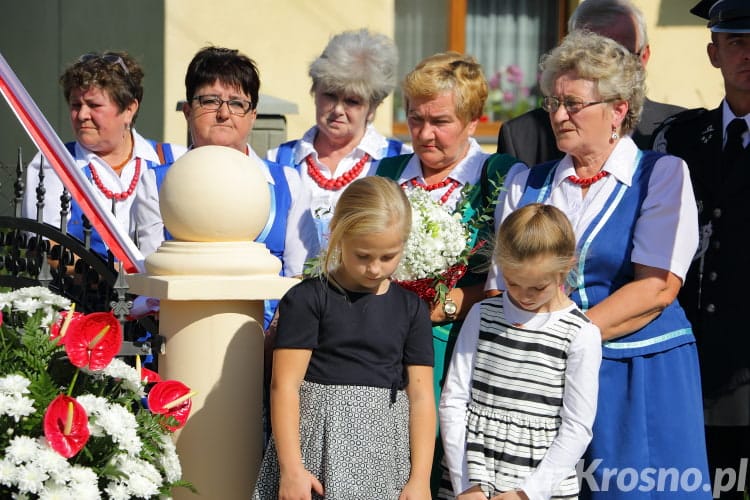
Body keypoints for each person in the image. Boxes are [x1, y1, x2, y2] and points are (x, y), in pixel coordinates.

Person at [492, 31, 710, 498]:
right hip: (541, 383)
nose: (557, 114)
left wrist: (562, 341)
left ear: (618, 109)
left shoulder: (661, 176)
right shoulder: (526, 185)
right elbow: (500, 288)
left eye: (573, 103)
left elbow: (656, 289)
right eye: (553, 101)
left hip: (637, 377)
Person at [374, 51, 524, 495]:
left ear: (474, 120)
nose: (424, 134)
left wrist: (445, 305)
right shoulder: (385, 175)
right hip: (381, 350)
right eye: (415, 119)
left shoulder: (501, 177)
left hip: (460, 353)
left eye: (440, 121)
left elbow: (512, 283)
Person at [252, 176, 435, 500]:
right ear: (338, 234)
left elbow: (420, 398)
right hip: (316, 454)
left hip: (384, 459)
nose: (375, 269)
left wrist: (419, 479)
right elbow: (285, 386)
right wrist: (292, 469)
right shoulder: (309, 299)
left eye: (388, 257)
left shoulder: (411, 309)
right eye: (363, 256)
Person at [653, 1, 750, 497]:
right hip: (686, 364)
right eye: (736, 41)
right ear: (714, 52)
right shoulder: (680, 137)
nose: (748, 54)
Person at [439, 203, 601, 500]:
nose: (523, 296)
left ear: (566, 269)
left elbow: (577, 426)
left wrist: (528, 493)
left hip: (538, 486)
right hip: (474, 476)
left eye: (537, 288)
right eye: (512, 283)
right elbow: (454, 399)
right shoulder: (482, 314)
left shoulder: (581, 334)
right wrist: (466, 483)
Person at [179, 46, 319, 328]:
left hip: (267, 340)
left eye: (237, 103)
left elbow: (303, 275)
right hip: (183, 332)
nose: (223, 113)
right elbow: (150, 274)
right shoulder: (157, 182)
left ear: (253, 115)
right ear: (187, 111)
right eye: (209, 101)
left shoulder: (288, 183)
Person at [22, 51, 186, 258]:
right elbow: (44, 246)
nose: (82, 115)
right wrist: (110, 276)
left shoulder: (177, 160)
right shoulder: (52, 164)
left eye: (94, 105)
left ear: (129, 109)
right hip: (79, 290)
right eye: (75, 105)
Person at [266, 28, 410, 249]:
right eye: (330, 95)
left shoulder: (401, 161)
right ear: (315, 92)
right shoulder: (277, 160)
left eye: (352, 101)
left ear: (372, 107)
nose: (338, 110)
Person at [496, 0, 684, 167]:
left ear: (644, 56)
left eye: (619, 55)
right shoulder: (521, 138)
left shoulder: (680, 131)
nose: (605, 67)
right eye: (587, 55)